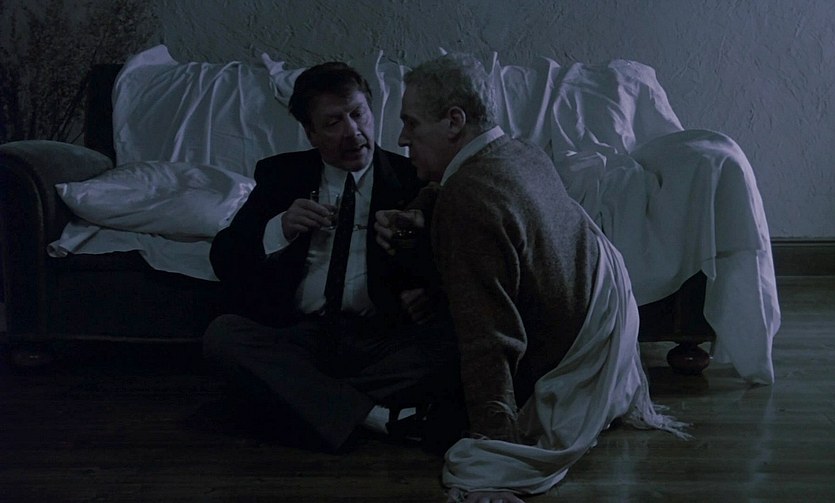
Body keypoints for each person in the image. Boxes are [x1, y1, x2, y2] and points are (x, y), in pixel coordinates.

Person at [376, 53, 687, 502]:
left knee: (372, 362)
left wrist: (495, 439)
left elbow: (488, 336)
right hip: (602, 325)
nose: (402, 138)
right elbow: (452, 193)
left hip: (561, 361)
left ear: (454, 121)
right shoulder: (518, 150)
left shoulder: (467, 199)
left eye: (411, 123)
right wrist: (422, 211)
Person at [203, 61, 459, 453]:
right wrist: (279, 228)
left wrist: (428, 289)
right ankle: (374, 416)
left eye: (358, 114)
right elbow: (224, 256)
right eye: (333, 122)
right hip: (303, 336)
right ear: (311, 133)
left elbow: (454, 260)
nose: (352, 132)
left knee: (456, 344)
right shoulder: (281, 176)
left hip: (382, 339)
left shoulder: (414, 178)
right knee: (222, 336)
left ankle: (302, 398)